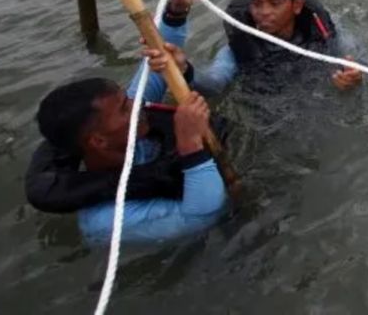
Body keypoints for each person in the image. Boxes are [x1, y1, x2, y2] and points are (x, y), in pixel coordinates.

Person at [28, 76, 226, 245]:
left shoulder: (122, 127)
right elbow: (202, 219)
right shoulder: (106, 220)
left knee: (220, 74)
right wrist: (190, 144)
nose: (137, 105)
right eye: (125, 108)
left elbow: (154, 66)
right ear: (98, 141)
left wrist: (172, 60)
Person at [152, 0, 364, 95]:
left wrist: (353, 77)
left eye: (274, 3)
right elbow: (215, 83)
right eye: (257, 4)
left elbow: (359, 61)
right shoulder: (238, 46)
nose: (263, 12)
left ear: (297, 5)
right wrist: (183, 69)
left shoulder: (323, 27)